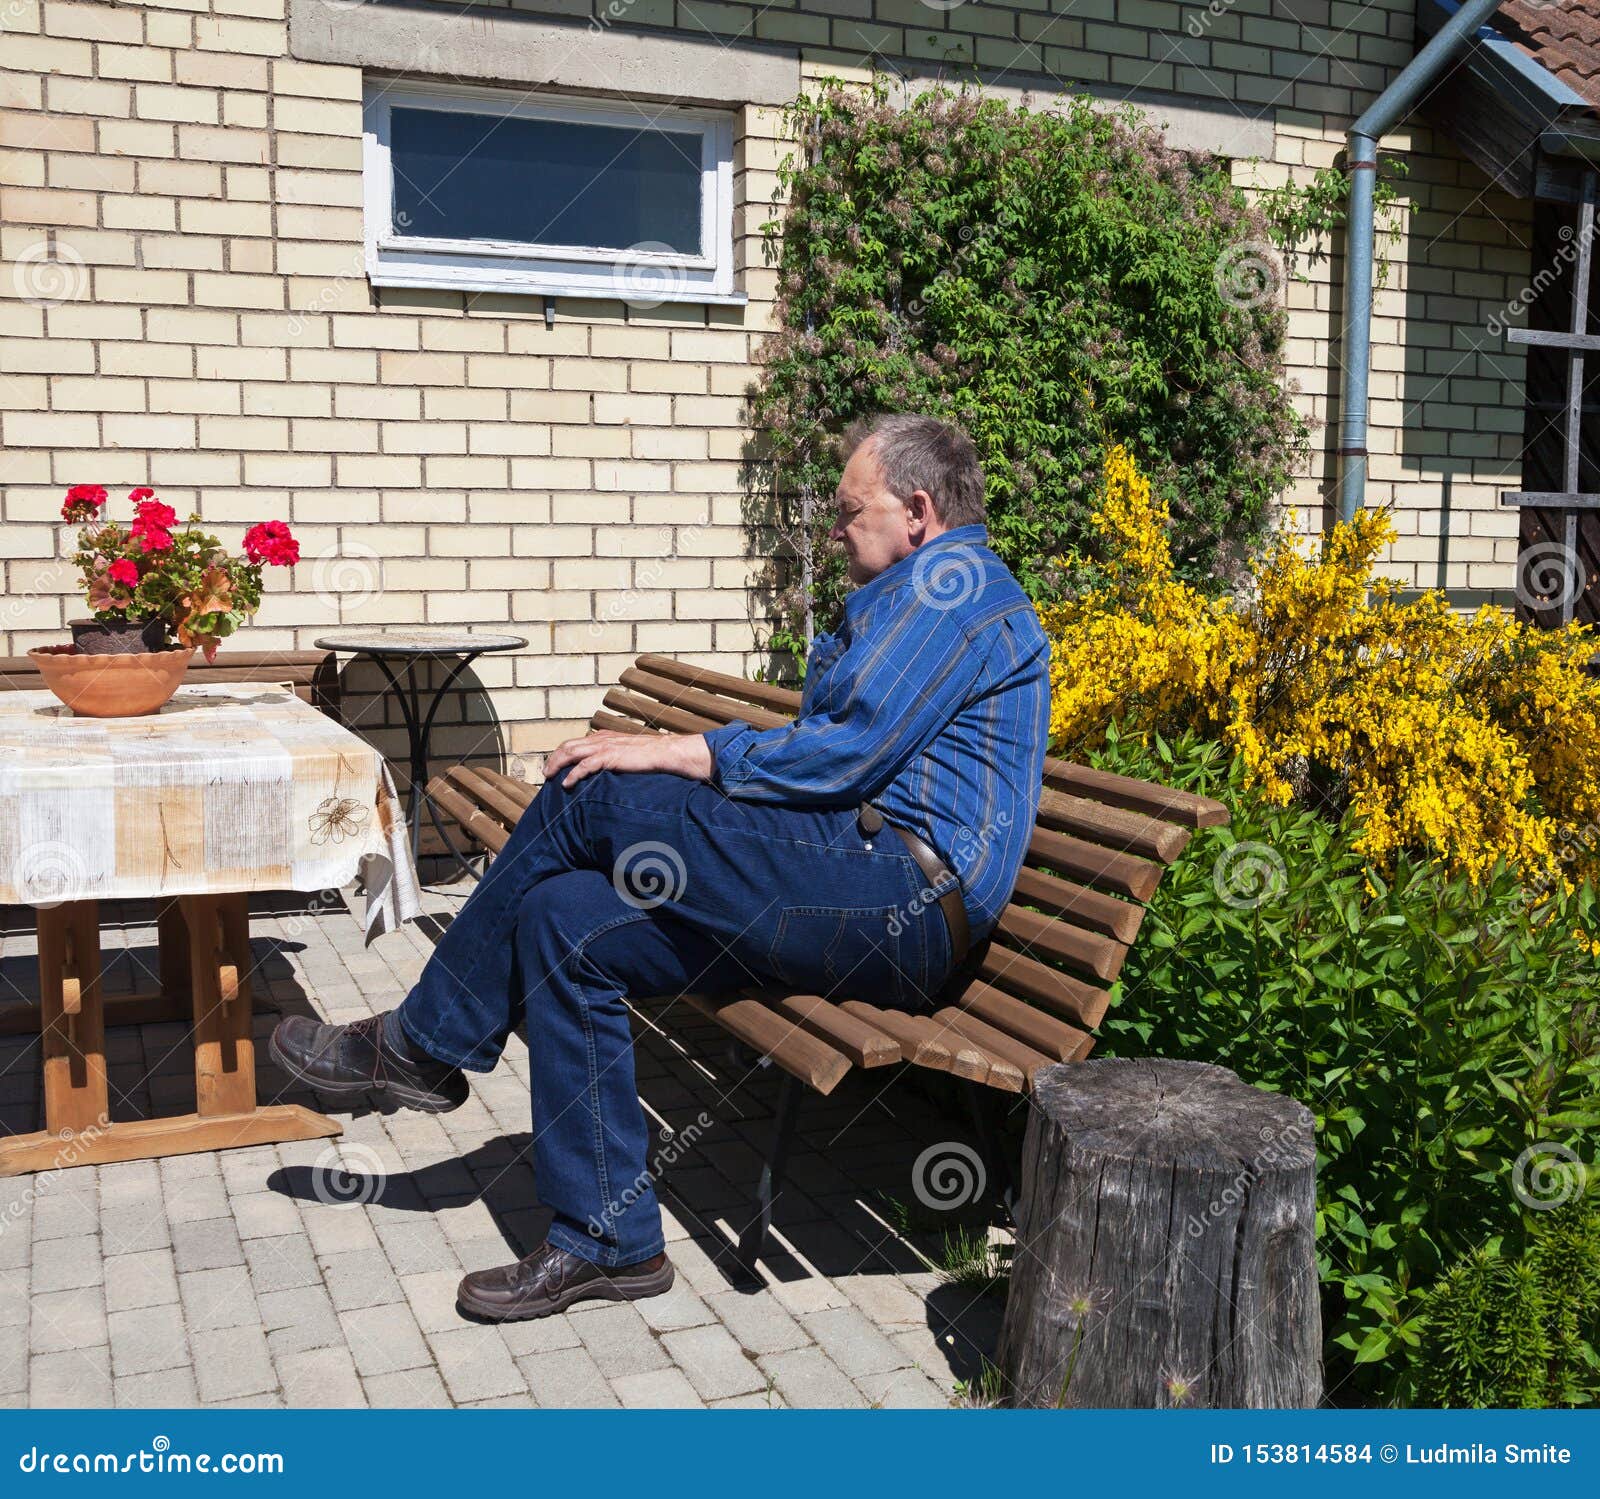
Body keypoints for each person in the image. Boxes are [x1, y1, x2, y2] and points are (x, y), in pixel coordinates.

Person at [270, 413, 1050, 1322]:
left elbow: (845, 752)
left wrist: (683, 752)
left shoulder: (957, 592)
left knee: (593, 792)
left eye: (849, 511)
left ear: (917, 511)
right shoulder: (917, 593)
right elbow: (836, 754)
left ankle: (421, 1044)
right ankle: (609, 1239)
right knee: (564, 920)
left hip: (898, 901)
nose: (836, 530)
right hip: (854, 879)